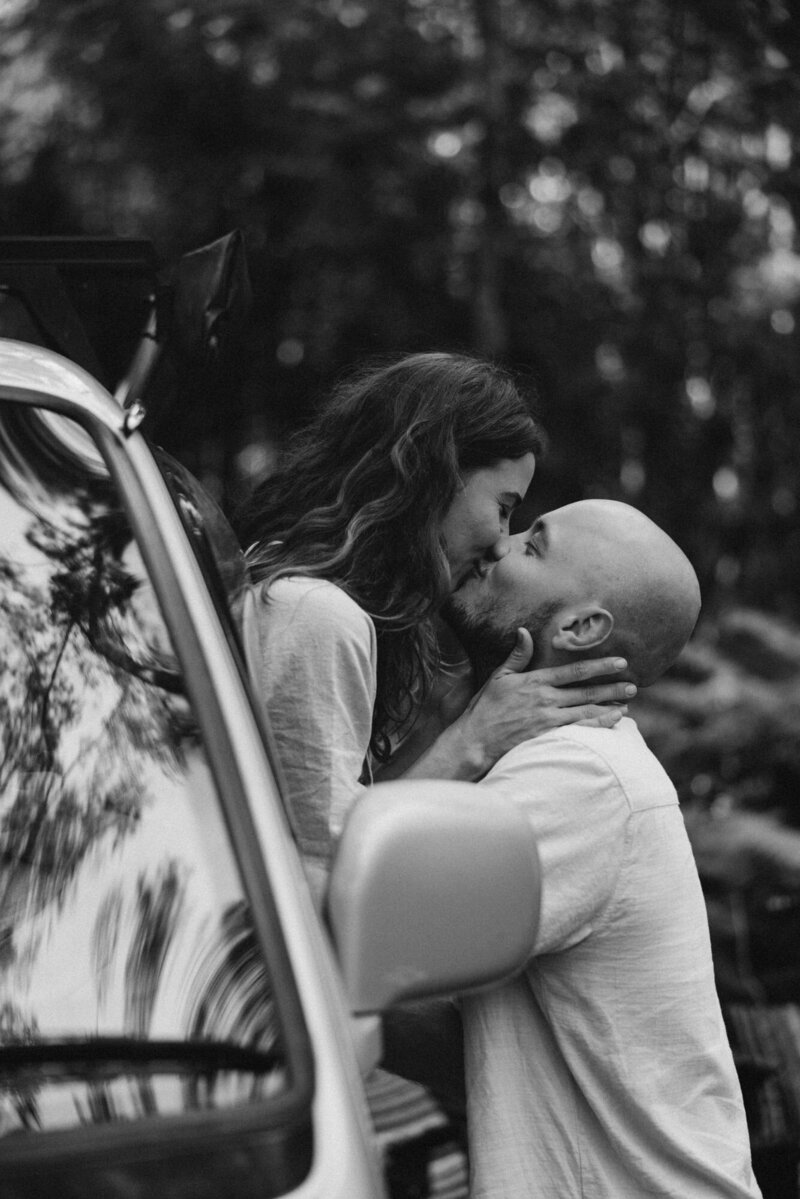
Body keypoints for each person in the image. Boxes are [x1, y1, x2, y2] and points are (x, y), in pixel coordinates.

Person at [438, 498, 762, 1199]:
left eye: (533, 544)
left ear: (581, 627)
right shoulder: (576, 762)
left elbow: (354, 937)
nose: (499, 543)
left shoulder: (579, 775)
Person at [239, 353, 634, 887]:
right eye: (504, 506)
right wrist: (473, 739)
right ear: (431, 476)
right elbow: (326, 886)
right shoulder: (315, 613)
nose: (501, 542)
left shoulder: (294, 588)